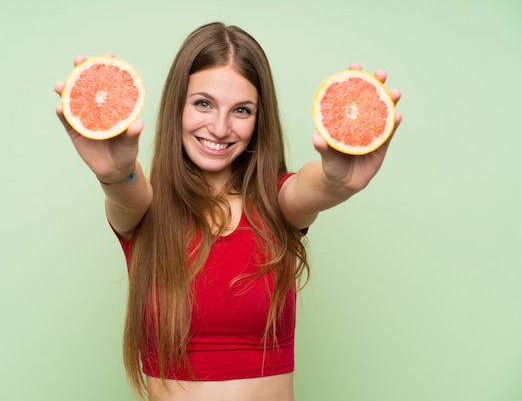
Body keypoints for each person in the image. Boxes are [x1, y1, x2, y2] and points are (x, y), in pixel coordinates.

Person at [54, 22, 402, 401]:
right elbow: (127, 194)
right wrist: (118, 173)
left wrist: (338, 181)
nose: (219, 128)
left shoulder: (277, 203)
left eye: (241, 110)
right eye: (203, 103)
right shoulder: (145, 208)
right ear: (178, 106)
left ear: (258, 120)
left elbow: (309, 188)